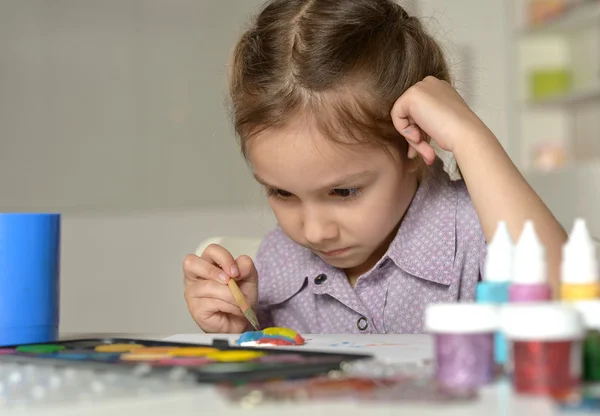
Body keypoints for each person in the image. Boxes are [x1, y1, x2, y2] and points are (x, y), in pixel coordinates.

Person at [183, 0, 566, 334]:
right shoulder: (274, 262)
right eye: (282, 193)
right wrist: (243, 330)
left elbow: (569, 307)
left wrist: (469, 137)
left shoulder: (481, 234)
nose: (315, 231)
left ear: (415, 139)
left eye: (344, 192)